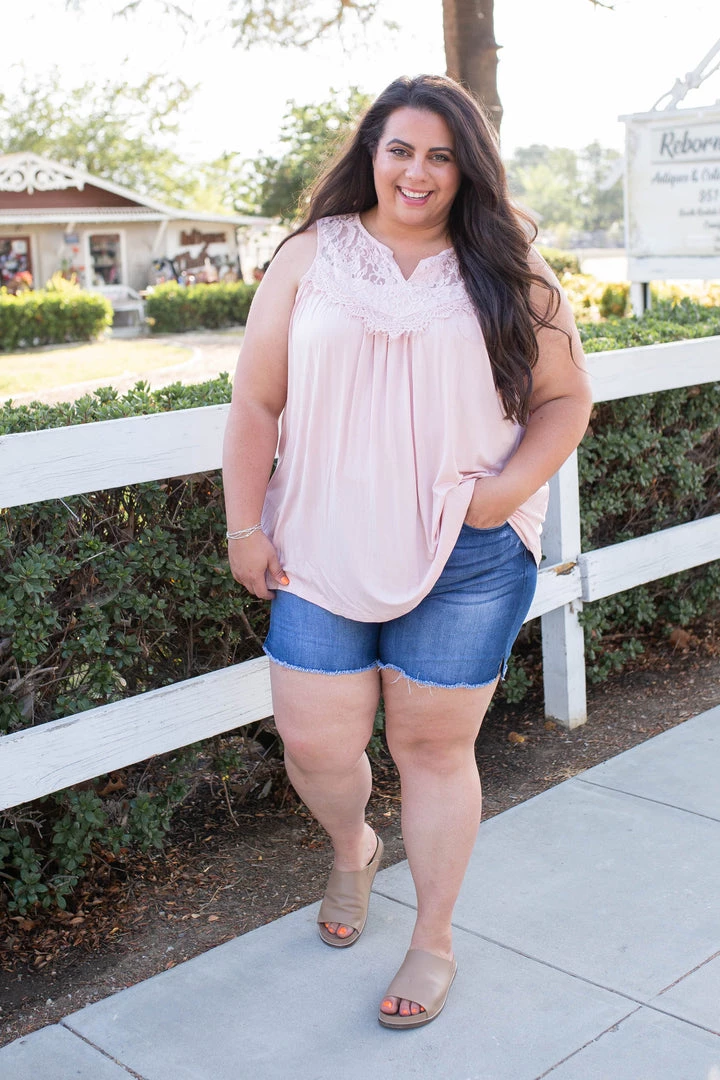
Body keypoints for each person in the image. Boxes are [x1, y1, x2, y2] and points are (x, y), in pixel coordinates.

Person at [222, 74, 592, 1030]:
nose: (418, 171)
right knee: (316, 744)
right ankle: (352, 847)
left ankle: (433, 938)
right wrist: (245, 525)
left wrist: (500, 498)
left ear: (467, 166)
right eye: (400, 150)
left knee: (433, 749)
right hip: (319, 540)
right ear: (371, 155)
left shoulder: (508, 265)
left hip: (466, 553)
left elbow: (565, 401)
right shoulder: (312, 255)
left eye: (440, 154)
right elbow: (257, 400)